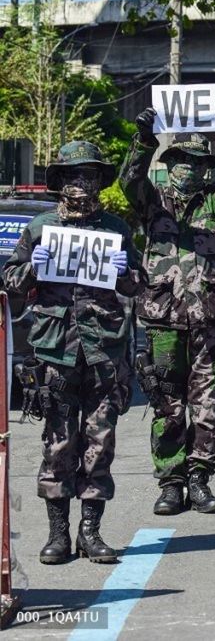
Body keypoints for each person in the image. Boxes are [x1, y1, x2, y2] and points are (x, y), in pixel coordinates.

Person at [3, 141, 145, 564]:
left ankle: (91, 533)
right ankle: (58, 535)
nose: (81, 183)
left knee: (100, 443)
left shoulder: (116, 229)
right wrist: (33, 267)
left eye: (90, 174)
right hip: (54, 350)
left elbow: (137, 285)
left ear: (101, 180)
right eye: (73, 175)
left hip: (104, 349)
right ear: (60, 181)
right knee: (58, 443)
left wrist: (126, 272)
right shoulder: (40, 228)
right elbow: (10, 279)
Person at [121, 107, 215, 515]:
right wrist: (143, 139)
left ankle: (199, 477)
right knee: (166, 401)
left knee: (209, 402)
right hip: (164, 319)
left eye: (199, 163)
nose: (190, 169)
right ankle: (171, 481)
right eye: (183, 161)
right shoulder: (152, 204)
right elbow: (129, 180)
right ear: (169, 164)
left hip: (210, 319)